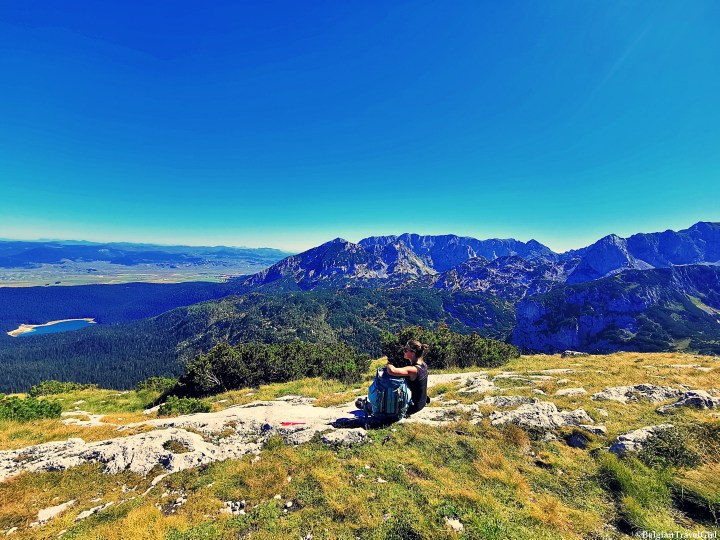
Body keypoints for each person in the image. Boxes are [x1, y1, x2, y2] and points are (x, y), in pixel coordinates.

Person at [385, 339, 429, 415]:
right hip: (422, 402)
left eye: (406, 350)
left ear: (413, 353)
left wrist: (389, 363)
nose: (404, 351)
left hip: (413, 407)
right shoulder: (423, 365)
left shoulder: (413, 370)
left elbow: (392, 371)